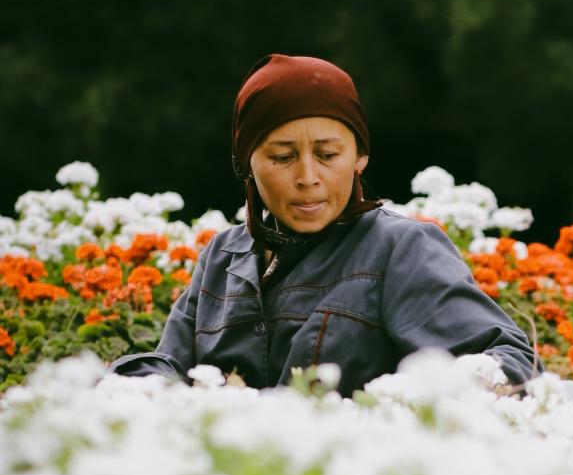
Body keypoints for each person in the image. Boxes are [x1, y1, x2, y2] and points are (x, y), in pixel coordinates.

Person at [111, 54, 537, 395]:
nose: (308, 177)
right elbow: (170, 366)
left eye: (328, 155)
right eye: (282, 157)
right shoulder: (221, 257)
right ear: (247, 164)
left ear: (360, 157)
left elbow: (511, 360)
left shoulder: (399, 248)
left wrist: (407, 406)